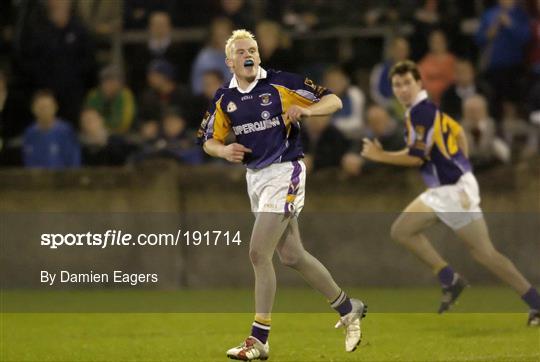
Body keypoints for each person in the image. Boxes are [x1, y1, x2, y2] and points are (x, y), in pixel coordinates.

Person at [198, 29, 367, 360]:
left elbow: (334, 100)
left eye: (253, 49)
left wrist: (307, 111)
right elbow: (207, 139)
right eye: (241, 51)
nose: (249, 54)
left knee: (258, 253)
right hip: (256, 179)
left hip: (285, 171)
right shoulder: (223, 98)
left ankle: (259, 340)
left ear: (259, 56)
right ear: (229, 60)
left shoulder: (280, 83)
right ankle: (349, 308)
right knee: (291, 255)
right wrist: (223, 151)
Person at [361, 60, 539, 326]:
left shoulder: (421, 112)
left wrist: (380, 155)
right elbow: (458, 132)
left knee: (484, 254)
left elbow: (415, 157)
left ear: (419, 84)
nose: (403, 89)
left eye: (407, 83)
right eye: (397, 85)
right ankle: (450, 278)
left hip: (453, 191)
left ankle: (531, 302)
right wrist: (462, 165)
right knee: (403, 231)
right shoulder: (425, 110)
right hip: (449, 187)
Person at [23, 90, 80, 169]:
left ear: (55, 107)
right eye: (41, 107)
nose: (44, 111)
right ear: (33, 109)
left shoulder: (65, 131)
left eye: (47, 107)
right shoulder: (29, 133)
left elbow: (74, 161)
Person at [85, 65, 136, 134]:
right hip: (94, 133)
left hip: (120, 134)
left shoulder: (125, 95)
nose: (109, 85)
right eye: (106, 81)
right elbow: (87, 117)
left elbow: (123, 122)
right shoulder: (94, 95)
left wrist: (101, 123)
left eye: (113, 81)